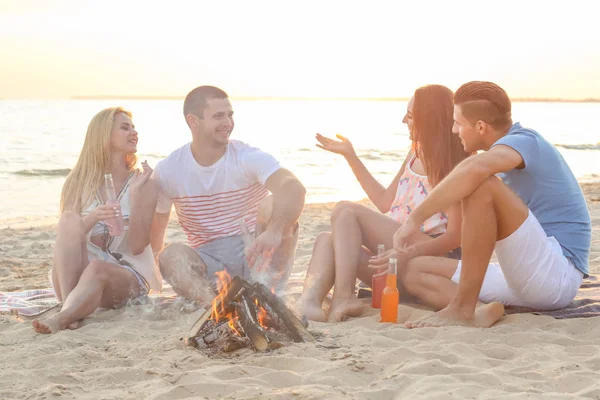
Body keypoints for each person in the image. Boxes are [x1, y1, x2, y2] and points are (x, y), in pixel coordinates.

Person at [395, 81, 592, 329]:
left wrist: (415, 219)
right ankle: (481, 310)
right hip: (525, 276)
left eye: (457, 123)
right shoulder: (505, 151)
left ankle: (462, 309)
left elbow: (475, 168)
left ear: (480, 127)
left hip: (556, 273)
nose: (454, 130)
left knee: (480, 184)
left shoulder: (525, 140)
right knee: (416, 271)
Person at [294, 84, 471, 322]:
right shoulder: (415, 153)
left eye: (409, 116)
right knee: (327, 239)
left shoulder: (451, 164)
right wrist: (351, 156)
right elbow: (386, 202)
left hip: (430, 259)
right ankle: (309, 302)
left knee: (345, 210)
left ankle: (343, 296)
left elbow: (454, 238)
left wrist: (406, 251)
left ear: (428, 119)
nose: (403, 121)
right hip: (396, 254)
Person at [151, 86, 306, 302]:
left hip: (260, 256)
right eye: (218, 116)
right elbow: (157, 231)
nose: (228, 123)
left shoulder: (247, 156)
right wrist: (154, 277)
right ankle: (214, 310)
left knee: (272, 204)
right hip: (209, 264)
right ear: (193, 121)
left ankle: (268, 297)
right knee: (169, 255)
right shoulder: (169, 169)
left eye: (230, 115)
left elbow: (293, 188)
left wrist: (274, 231)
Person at [32, 107, 162, 334]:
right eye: (125, 127)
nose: (134, 132)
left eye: (134, 127)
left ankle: (65, 316)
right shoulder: (78, 180)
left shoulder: (145, 183)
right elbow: (68, 236)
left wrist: (136, 196)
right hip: (75, 276)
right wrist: (92, 218)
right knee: (69, 220)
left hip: (127, 275)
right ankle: (69, 309)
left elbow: (138, 246)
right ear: (103, 135)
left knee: (98, 269)